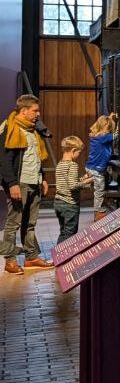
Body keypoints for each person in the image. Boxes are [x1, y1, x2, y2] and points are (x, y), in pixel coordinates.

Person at [1, 94, 56, 274]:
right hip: (20, 183)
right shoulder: (10, 128)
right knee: (13, 223)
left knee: (30, 223)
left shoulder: (33, 130)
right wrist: (12, 184)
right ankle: (10, 261)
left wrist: (43, 178)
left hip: (34, 182)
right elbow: (5, 160)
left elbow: (36, 158)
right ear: (23, 111)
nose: (38, 114)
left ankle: (31, 257)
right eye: (35, 111)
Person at [54, 136, 94, 244]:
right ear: (73, 150)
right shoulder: (73, 165)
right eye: (79, 152)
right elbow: (73, 186)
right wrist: (89, 180)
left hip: (59, 202)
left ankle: (60, 256)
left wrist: (84, 177)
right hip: (70, 204)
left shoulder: (60, 164)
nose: (79, 155)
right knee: (70, 233)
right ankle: (62, 257)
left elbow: (70, 182)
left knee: (64, 231)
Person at [86, 112, 117, 220]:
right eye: (109, 129)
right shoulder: (103, 138)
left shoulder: (96, 136)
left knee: (97, 190)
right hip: (97, 169)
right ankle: (98, 212)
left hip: (91, 167)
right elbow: (116, 135)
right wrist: (118, 125)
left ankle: (98, 209)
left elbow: (104, 123)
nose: (110, 132)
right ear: (105, 129)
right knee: (99, 192)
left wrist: (110, 117)